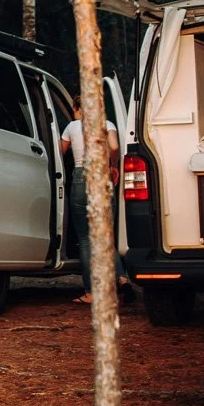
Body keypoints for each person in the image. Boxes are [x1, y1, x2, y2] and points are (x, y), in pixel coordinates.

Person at [60, 96, 128, 304]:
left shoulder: (71, 127)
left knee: (86, 240)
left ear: (77, 108)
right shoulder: (107, 124)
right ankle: (122, 278)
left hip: (82, 177)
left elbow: (59, 153)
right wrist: (113, 165)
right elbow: (115, 147)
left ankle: (91, 293)